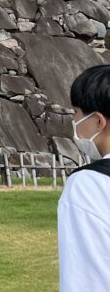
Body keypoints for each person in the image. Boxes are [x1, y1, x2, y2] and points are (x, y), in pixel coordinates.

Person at [58, 64, 110, 291]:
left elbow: (87, 281)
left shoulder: (89, 185)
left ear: (98, 121)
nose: (74, 121)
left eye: (77, 113)